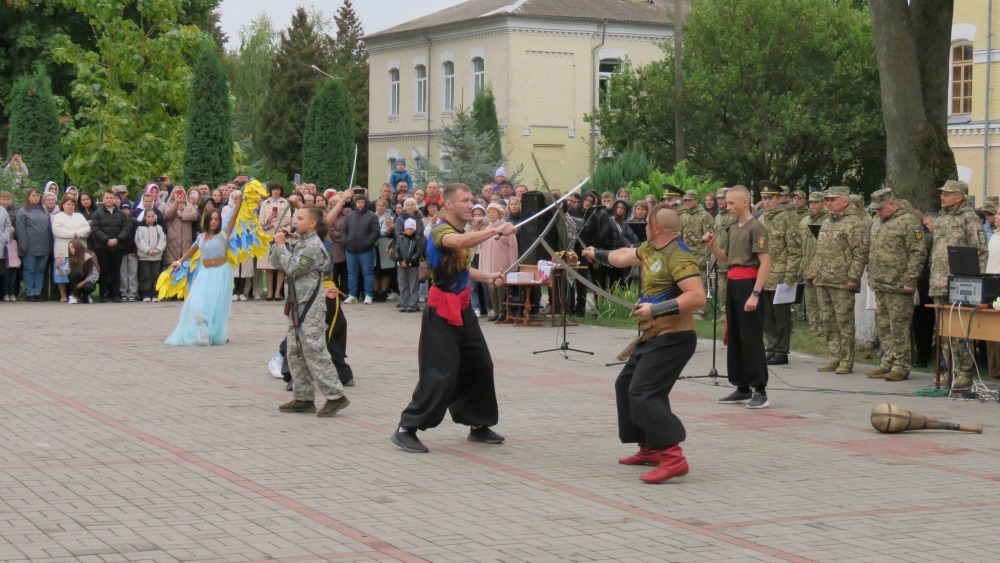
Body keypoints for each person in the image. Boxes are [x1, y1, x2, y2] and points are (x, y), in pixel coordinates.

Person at [582, 205, 706, 483]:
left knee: (643, 392)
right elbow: (624, 256)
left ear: (657, 228)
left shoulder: (679, 255)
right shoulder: (649, 250)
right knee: (626, 385)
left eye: (647, 224)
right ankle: (648, 448)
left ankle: (673, 457)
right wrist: (595, 254)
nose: (643, 228)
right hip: (653, 337)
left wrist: (656, 310)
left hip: (674, 338)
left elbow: (697, 297)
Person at [391, 183, 515, 454]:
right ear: (448, 205)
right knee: (440, 374)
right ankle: (406, 428)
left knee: (480, 365)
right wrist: (494, 229)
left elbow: (460, 268)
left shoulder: (463, 232)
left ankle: (477, 424)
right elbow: (457, 243)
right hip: (440, 313)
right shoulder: (440, 231)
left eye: (472, 200)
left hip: (463, 310)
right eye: (465, 201)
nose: (471, 205)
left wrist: (487, 276)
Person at [271, 206, 351, 417]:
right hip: (297, 303)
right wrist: (279, 244)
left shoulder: (314, 246)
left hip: (311, 305)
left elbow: (293, 268)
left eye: (300, 218)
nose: (295, 221)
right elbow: (275, 262)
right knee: (295, 351)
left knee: (315, 351)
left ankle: (335, 396)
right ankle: (303, 397)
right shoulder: (298, 242)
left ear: (313, 223)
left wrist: (281, 247)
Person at [704, 185, 772, 408]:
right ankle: (741, 386)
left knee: (751, 337)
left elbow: (764, 263)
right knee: (735, 337)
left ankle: (760, 389)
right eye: (727, 202)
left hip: (749, 283)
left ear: (745, 202)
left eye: (732, 203)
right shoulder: (732, 228)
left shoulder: (756, 227)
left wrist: (755, 294)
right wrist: (712, 246)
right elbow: (728, 258)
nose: (728, 206)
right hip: (733, 282)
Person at [805, 186, 870, 375]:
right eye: (827, 200)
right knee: (828, 321)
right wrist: (816, 274)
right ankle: (834, 357)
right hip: (824, 280)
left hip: (842, 281)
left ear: (845, 201)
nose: (828, 203)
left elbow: (860, 253)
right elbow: (820, 252)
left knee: (844, 322)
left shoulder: (854, 223)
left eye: (832, 200)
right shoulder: (827, 222)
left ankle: (846, 360)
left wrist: (853, 277)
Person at [929, 180, 986, 389]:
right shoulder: (942, 218)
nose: (942, 197)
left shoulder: (969, 218)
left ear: (959, 197)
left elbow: (979, 251)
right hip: (939, 281)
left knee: (961, 331)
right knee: (943, 331)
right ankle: (950, 370)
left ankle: (964, 372)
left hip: (960, 283)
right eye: (942, 194)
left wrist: (974, 281)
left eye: (947, 194)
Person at [164, 193, 243, 345]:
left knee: (215, 303)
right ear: (206, 221)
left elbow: (234, 216)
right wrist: (179, 261)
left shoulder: (223, 234)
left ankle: (213, 332)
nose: (213, 222)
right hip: (205, 273)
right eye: (211, 219)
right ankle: (201, 330)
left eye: (216, 219)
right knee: (195, 303)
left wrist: (239, 201)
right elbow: (191, 251)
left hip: (221, 272)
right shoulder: (201, 237)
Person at [865, 188, 927, 382]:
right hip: (880, 282)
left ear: (892, 203)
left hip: (899, 284)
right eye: (875, 210)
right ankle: (888, 361)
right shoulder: (877, 222)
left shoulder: (908, 222)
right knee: (883, 325)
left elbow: (918, 252)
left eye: (881, 209)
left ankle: (901, 365)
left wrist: (910, 279)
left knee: (898, 325)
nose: (878, 213)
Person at [796, 192, 828, 336]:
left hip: (821, 266)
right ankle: (813, 324)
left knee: (822, 299)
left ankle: (823, 326)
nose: (813, 205)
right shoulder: (804, 221)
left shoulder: (828, 219)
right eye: (811, 203)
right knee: (810, 299)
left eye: (816, 202)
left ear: (822, 202)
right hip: (806, 263)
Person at [90, 191, 130, 303]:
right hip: (102, 247)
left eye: (111, 198)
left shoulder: (121, 214)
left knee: (116, 271)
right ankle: (103, 294)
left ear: (114, 199)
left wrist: (118, 239)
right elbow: (95, 229)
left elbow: (126, 228)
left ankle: (116, 295)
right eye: (107, 197)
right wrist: (106, 240)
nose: (109, 200)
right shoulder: (98, 213)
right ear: (103, 198)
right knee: (104, 271)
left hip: (117, 247)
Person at [480, 202, 518, 322]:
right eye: (489, 212)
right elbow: (482, 249)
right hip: (488, 264)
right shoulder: (487, 229)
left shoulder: (506, 227)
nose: (491, 214)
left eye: (493, 212)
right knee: (491, 287)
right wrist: (482, 265)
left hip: (502, 264)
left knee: (501, 288)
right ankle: (496, 311)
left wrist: (513, 267)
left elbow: (513, 247)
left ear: (500, 214)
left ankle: (503, 311)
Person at [52, 195, 91, 302]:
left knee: (78, 272)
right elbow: (57, 230)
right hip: (62, 249)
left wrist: (76, 233)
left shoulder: (79, 216)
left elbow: (87, 229)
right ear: (63, 205)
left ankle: (76, 293)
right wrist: (72, 233)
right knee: (61, 272)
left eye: (72, 204)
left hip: (79, 249)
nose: (70, 206)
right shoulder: (58, 216)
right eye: (68, 204)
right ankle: (63, 294)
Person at [15, 189, 53, 302]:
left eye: (38, 195)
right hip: (29, 247)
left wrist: (49, 245)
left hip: (44, 246)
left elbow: (48, 230)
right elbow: (20, 230)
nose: (36, 197)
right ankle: (29, 292)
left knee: (40, 270)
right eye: (33, 195)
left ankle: (37, 292)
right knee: (29, 269)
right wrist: (24, 245)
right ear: (28, 197)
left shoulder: (44, 211)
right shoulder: (23, 212)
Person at [342, 193, 378, 304]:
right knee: (351, 272)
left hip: (366, 250)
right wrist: (345, 242)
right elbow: (344, 231)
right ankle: (352, 295)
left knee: (367, 272)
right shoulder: (349, 216)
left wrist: (368, 243)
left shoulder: (372, 216)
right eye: (358, 202)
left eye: (362, 202)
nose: (360, 204)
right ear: (355, 203)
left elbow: (376, 232)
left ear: (366, 203)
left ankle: (368, 295)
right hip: (350, 250)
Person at [393, 218, 424, 313]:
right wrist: (400, 260)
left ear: (414, 229)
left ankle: (412, 305)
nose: (409, 230)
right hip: (401, 265)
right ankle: (404, 304)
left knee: (413, 285)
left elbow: (418, 252)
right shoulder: (400, 237)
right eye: (408, 228)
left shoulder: (417, 239)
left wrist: (410, 261)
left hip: (412, 265)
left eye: (411, 228)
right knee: (403, 285)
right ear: (404, 229)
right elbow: (396, 249)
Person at [135, 208, 166, 302]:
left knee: (156, 275)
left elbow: (163, 239)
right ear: (145, 217)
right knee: (145, 275)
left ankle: (155, 294)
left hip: (156, 256)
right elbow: (139, 241)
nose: (151, 218)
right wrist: (148, 250)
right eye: (148, 216)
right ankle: (145, 294)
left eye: (152, 216)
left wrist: (157, 250)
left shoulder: (159, 228)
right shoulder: (140, 228)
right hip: (145, 257)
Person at [117, 202, 139, 301]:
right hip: (122, 251)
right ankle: (123, 292)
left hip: (132, 251)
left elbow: (137, 237)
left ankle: (132, 293)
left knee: (132, 273)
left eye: (127, 209)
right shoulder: (118, 221)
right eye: (123, 209)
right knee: (123, 273)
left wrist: (135, 249)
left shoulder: (135, 222)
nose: (125, 211)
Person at [66, 239, 99, 303]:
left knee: (89, 287)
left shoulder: (90, 256)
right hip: (76, 280)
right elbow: (66, 271)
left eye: (73, 247)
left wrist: (82, 283)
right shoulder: (71, 258)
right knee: (75, 272)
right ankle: (74, 295)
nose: (71, 250)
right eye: (69, 248)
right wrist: (58, 267)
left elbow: (95, 275)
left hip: (87, 280)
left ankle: (85, 295)